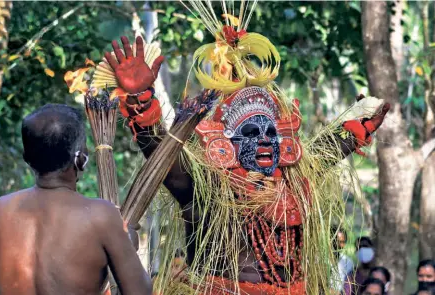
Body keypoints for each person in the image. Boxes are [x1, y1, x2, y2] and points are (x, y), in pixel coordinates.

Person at [83, 5, 389, 293]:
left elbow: (322, 152)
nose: (266, 139)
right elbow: (165, 159)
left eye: (271, 132)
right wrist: (141, 101)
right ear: (224, 144)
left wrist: (354, 126)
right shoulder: (209, 188)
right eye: (252, 133)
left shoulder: (294, 183)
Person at [0, 104, 152, 295]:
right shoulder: (100, 216)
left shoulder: (1, 209)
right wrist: (127, 243)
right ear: (81, 159)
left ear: (27, 158)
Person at [331, 226, 354, 292]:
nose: (337, 244)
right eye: (335, 241)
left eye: (341, 242)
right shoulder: (318, 260)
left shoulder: (348, 263)